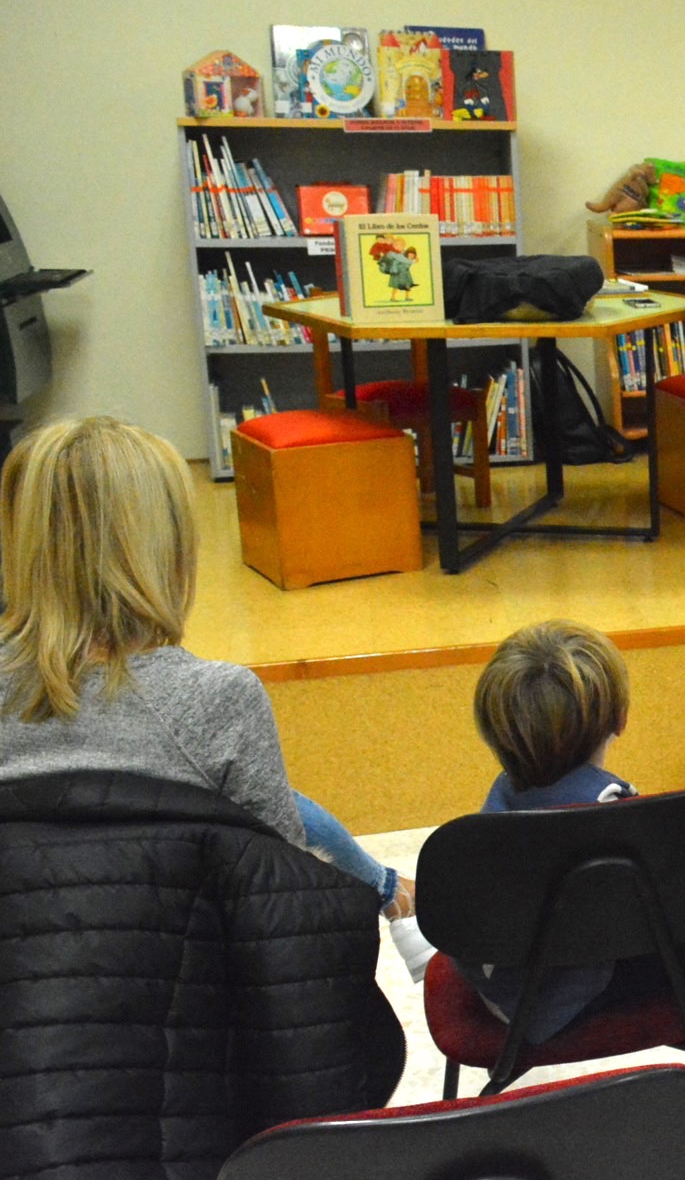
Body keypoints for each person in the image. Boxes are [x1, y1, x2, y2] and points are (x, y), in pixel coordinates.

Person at [0, 415, 434, 982]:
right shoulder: (218, 699)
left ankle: (390, 889)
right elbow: (285, 897)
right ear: (169, 545)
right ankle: (392, 893)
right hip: (182, 990)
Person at [459, 619, 685, 1043]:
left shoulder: (501, 797)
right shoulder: (612, 812)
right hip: (555, 1000)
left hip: (498, 987)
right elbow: (683, 913)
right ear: (620, 719)